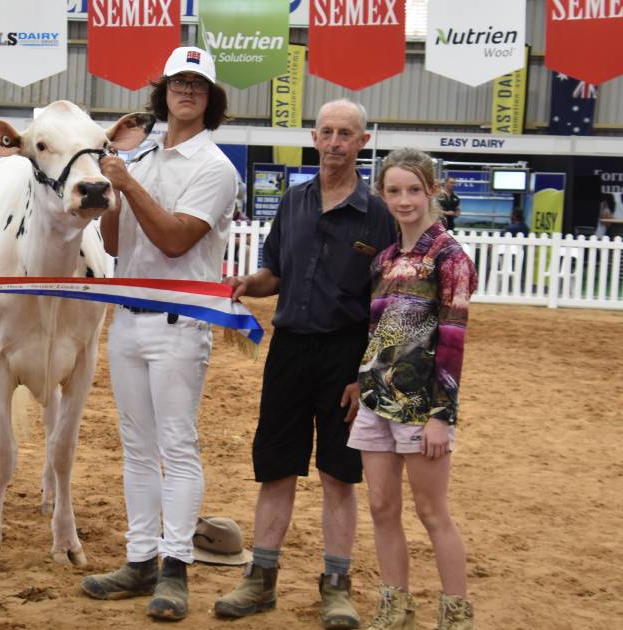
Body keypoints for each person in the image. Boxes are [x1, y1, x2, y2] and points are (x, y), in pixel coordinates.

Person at [216, 99, 396, 629]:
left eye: (347, 134)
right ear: (314, 138)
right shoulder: (294, 202)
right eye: (327, 132)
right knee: (276, 468)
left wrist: (366, 376)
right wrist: (253, 284)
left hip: (347, 358)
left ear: (362, 143)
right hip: (289, 350)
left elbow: (389, 303)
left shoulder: (379, 216)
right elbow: (276, 272)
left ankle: (336, 586)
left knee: (339, 475)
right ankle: (261, 579)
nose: (335, 142)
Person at [79, 46, 238, 621]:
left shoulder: (215, 168)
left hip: (179, 324)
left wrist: (127, 181)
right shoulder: (140, 156)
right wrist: (112, 190)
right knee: (138, 448)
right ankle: (141, 556)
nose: (187, 92)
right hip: (128, 318)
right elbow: (119, 245)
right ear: (164, 91)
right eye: (178, 82)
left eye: (198, 85)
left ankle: (176, 567)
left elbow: (174, 240)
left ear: (211, 98)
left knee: (176, 445)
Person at [349, 148, 477, 630]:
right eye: (394, 191)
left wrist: (443, 415)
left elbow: (453, 339)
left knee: (431, 512)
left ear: (433, 192)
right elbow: (376, 335)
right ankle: (394, 605)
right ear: (382, 196)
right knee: (382, 507)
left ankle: (455, 613)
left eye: (414, 190)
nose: (405, 200)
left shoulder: (450, 257)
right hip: (376, 401)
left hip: (423, 407)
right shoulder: (384, 259)